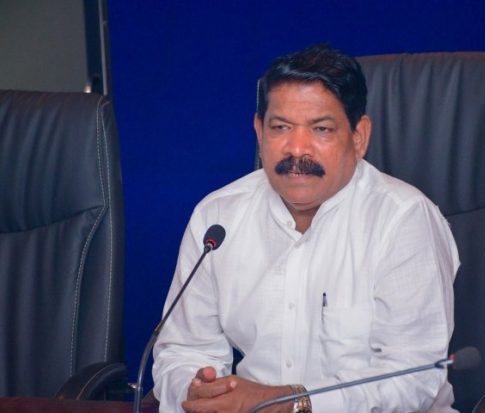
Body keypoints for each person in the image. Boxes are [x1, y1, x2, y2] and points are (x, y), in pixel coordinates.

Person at [152, 44, 459, 413]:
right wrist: (198, 392)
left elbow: (414, 378)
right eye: (280, 127)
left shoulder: (403, 219)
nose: (297, 149)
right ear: (259, 132)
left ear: (359, 136)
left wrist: (292, 402)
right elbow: (183, 349)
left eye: (321, 129)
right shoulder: (218, 218)